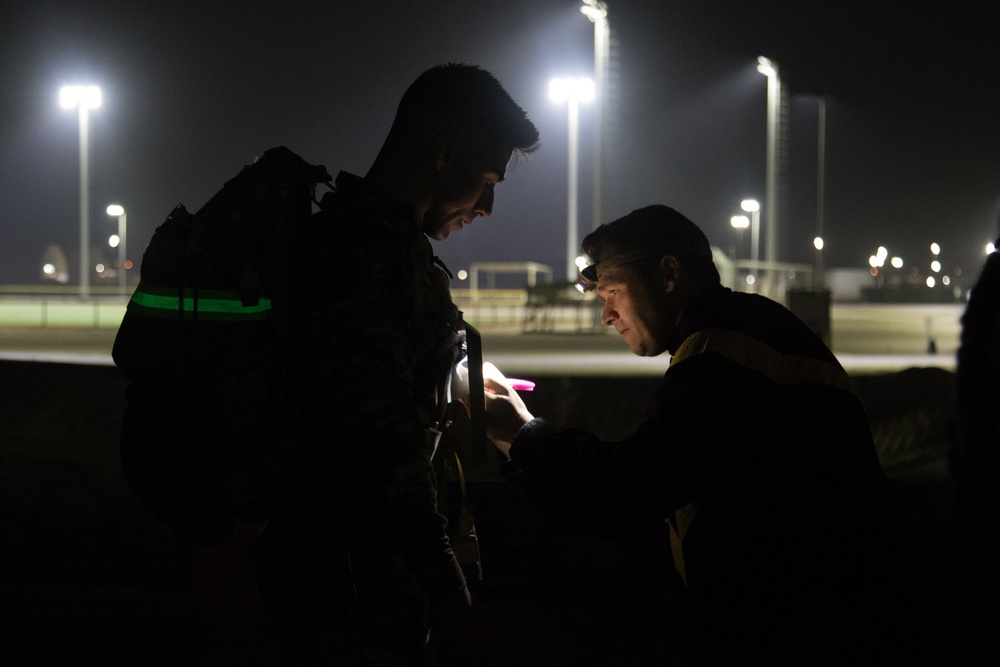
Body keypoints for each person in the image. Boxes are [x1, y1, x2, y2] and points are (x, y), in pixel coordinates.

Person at [482, 205, 927, 664]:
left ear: (669, 275)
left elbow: (626, 491)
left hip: (813, 635)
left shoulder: (724, 360)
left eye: (613, 292)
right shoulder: (742, 333)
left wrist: (519, 431)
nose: (607, 315)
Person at [249, 63, 539, 665]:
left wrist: (457, 376)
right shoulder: (356, 255)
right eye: (486, 179)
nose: (486, 205)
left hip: (365, 572)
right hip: (346, 583)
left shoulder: (391, 249)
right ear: (443, 152)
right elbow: (379, 446)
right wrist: (444, 584)